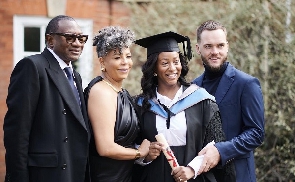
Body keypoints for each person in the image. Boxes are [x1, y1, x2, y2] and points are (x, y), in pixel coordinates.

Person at [133, 31, 236, 182]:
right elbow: (132, 146)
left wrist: (192, 169)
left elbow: (216, 146)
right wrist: (146, 155)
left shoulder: (201, 100)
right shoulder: (142, 105)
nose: (172, 68)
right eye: (164, 63)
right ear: (154, 68)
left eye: (176, 61)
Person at [3, 15, 90, 182]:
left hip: (73, 170)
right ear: (50, 40)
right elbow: (17, 131)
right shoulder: (32, 67)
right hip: (46, 174)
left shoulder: (75, 76)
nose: (78, 43)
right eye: (70, 37)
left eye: (81, 38)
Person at [192, 20, 265, 182]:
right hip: (204, 177)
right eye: (208, 46)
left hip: (238, 175)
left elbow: (256, 133)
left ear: (227, 46)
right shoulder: (193, 87)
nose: (215, 51)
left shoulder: (246, 84)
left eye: (220, 45)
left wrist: (220, 151)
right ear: (198, 49)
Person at [84, 26, 150, 182]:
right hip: (107, 176)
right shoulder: (101, 92)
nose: (125, 62)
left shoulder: (121, 92)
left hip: (125, 174)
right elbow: (105, 148)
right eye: (117, 57)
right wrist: (139, 153)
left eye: (128, 56)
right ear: (102, 62)